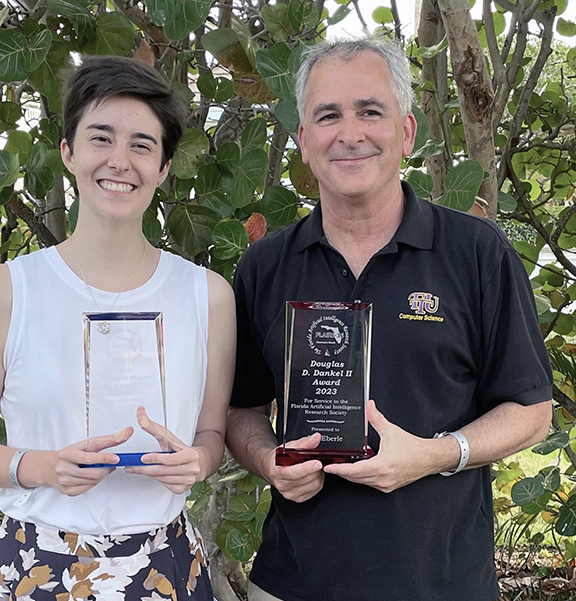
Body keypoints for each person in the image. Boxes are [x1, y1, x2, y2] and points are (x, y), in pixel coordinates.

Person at [226, 37, 553, 601]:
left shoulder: (476, 252)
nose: (349, 133)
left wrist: (435, 454)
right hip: (293, 583)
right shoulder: (264, 266)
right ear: (304, 142)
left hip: (443, 583)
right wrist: (268, 460)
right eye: (328, 116)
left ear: (406, 132)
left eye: (369, 111)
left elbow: (530, 409)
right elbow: (242, 411)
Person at [0, 55, 236, 601]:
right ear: (69, 152)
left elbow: (211, 436)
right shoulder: (6, 291)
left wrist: (197, 463)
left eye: (142, 145)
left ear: (164, 167)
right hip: (35, 566)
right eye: (102, 138)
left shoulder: (208, 296)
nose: (120, 161)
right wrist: (43, 466)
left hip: (166, 567)